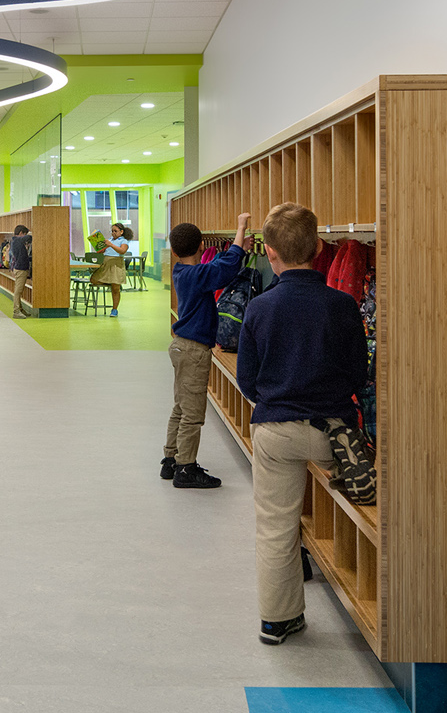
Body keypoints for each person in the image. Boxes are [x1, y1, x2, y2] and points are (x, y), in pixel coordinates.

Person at [236, 203, 369, 645]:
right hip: (333, 434)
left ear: (269, 253)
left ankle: (278, 620)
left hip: (275, 430)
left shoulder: (260, 308)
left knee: (275, 525)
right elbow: (357, 376)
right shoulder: (343, 305)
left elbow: (248, 381)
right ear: (316, 248)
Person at [163, 212, 250, 489]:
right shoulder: (197, 274)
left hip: (181, 347)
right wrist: (240, 228)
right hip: (193, 351)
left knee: (180, 406)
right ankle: (185, 468)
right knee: (193, 412)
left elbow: (218, 266)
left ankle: (171, 459)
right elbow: (222, 269)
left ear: (174, 251)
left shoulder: (182, 271)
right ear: (202, 245)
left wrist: (239, 247)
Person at [90, 221, 131, 316]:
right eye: (112, 231)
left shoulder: (123, 241)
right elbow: (104, 250)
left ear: (121, 232)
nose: (113, 233)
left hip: (116, 264)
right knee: (93, 279)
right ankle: (109, 282)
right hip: (106, 263)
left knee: (116, 289)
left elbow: (122, 251)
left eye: (115, 231)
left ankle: (114, 309)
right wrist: (100, 249)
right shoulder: (109, 240)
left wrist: (111, 245)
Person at [6, 223, 33, 318]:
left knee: (19, 290)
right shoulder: (17, 240)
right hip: (21, 269)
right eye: (24, 233)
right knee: (18, 291)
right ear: (21, 233)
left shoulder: (15, 241)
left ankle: (20, 309)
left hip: (20, 268)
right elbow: (28, 238)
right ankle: (16, 311)